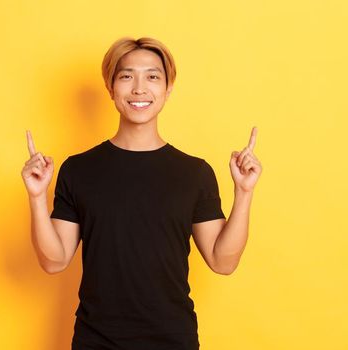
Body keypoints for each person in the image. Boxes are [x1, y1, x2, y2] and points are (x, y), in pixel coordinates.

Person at [21, 36, 262, 349]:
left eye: (152, 76)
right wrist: (37, 197)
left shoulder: (195, 173)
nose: (139, 88)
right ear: (110, 88)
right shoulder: (78, 170)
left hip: (173, 340)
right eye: (126, 76)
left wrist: (244, 192)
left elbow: (222, 261)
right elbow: (54, 261)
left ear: (168, 89)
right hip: (97, 341)